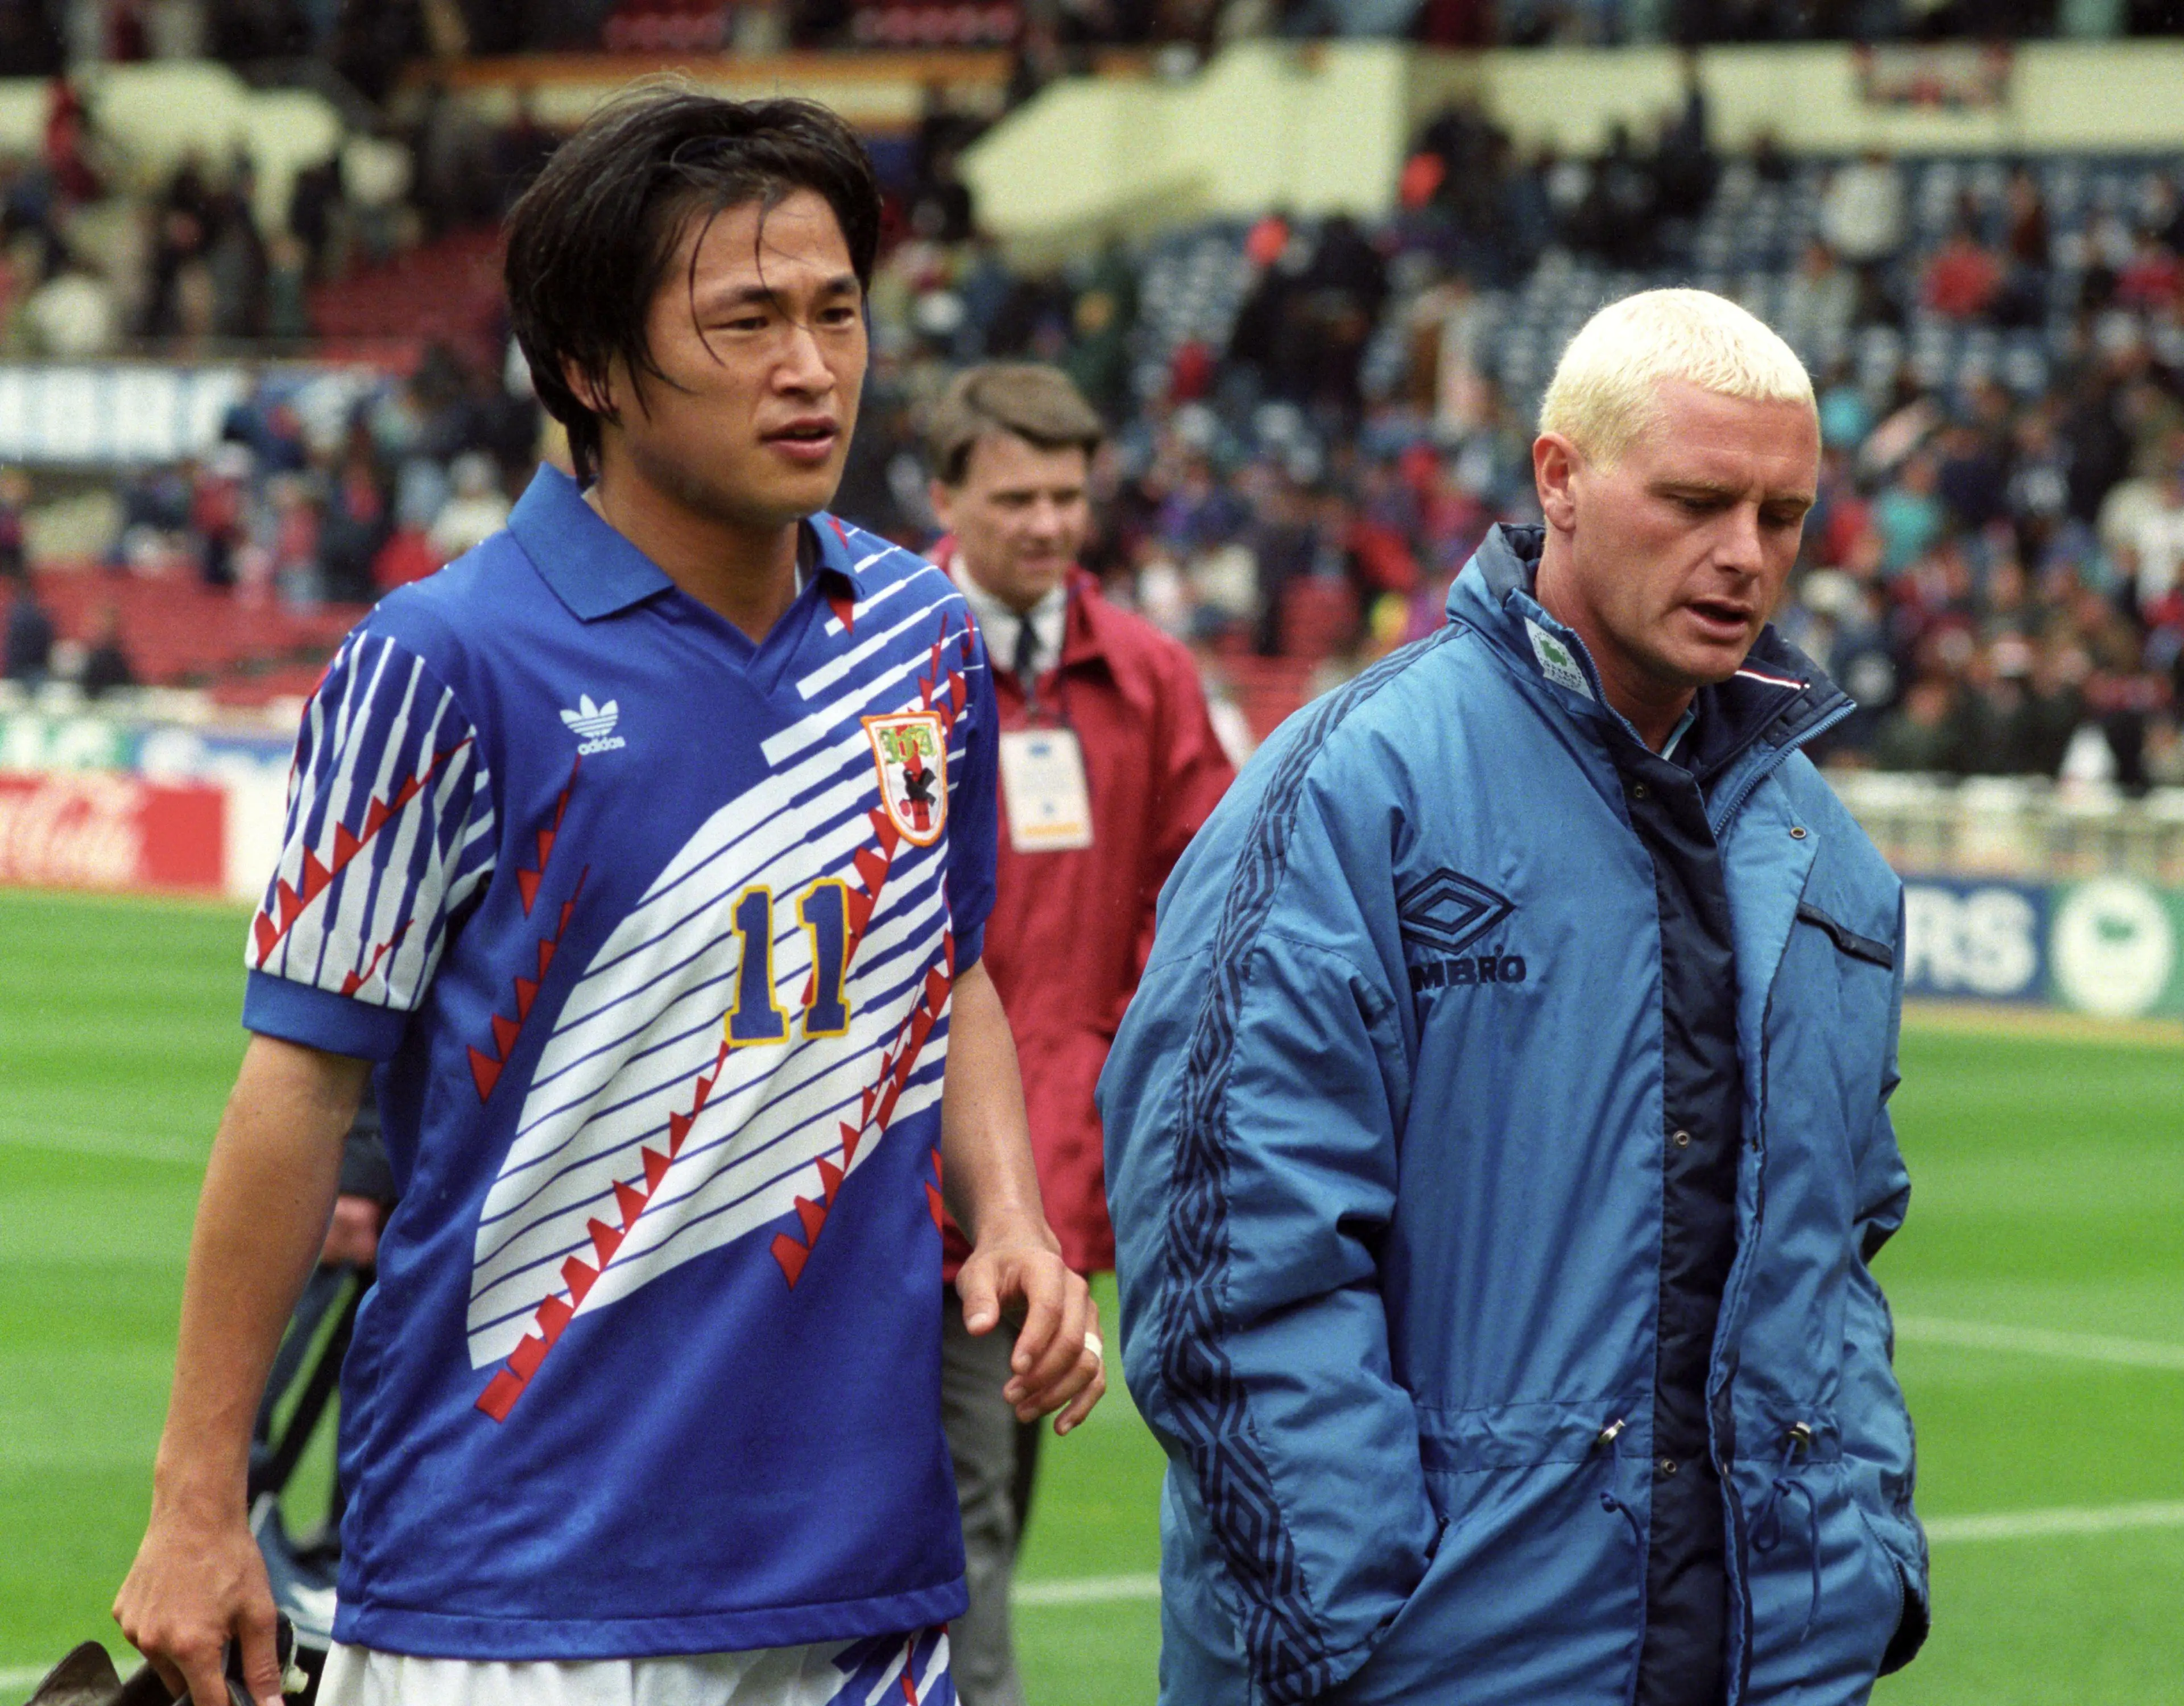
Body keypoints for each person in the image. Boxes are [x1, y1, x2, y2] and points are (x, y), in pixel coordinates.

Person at [113, 88, 1102, 1706]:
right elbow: (297, 1085)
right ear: (587, 367)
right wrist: (197, 1500)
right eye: (746, 321)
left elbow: (957, 968)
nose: (812, 367)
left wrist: (1014, 1221)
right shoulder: (440, 663)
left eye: (836, 311)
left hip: (865, 1586)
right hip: (519, 1590)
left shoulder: (923, 642)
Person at [1101, 289, 1929, 1706]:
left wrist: (1862, 1569)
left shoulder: (1825, 858)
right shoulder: (1354, 791)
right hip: (1430, 1660)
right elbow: (1227, 1259)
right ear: (1559, 479)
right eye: (1696, 499)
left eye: (1781, 517)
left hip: (1758, 1665)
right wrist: (1362, 1630)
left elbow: (1835, 1256)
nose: (1744, 557)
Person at [922, 363, 1235, 1706]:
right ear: (945, 497)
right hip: (888, 1178)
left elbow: (1215, 889)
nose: (1049, 524)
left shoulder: (1148, 677)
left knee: (984, 1503)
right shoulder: (873, 645)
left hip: (1054, 1182)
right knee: (956, 1516)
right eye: (1017, 498)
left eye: (1069, 496)